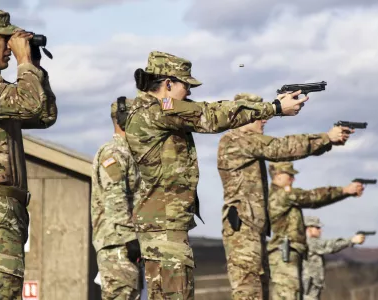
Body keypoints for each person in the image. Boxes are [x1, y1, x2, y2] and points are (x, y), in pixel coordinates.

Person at [125, 50, 309, 299]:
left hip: (161, 225)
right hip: (164, 229)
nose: (188, 93)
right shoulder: (159, 109)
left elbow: (210, 111)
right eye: (185, 85)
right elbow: (209, 115)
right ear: (168, 84)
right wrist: (273, 108)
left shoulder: (151, 110)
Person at [218, 99, 353, 300]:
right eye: (257, 116)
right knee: (248, 290)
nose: (263, 120)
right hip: (244, 226)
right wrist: (326, 137)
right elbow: (281, 147)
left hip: (251, 226)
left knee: (257, 289)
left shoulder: (244, 142)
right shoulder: (238, 139)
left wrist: (326, 142)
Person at [0, 7, 57, 299]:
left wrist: (36, 67)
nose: (9, 47)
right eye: (3, 39)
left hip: (3, 220)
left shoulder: (2, 92)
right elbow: (30, 104)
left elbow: (43, 115)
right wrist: (24, 62)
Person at [266, 162, 364, 300]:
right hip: (284, 253)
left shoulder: (280, 196)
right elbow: (313, 197)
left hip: (288, 252)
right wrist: (345, 190)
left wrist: (345, 193)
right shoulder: (282, 195)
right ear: (278, 175)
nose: (293, 179)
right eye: (290, 175)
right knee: (287, 296)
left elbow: (314, 201)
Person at [91, 97, 142, 300]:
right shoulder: (115, 152)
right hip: (119, 245)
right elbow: (115, 199)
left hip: (126, 245)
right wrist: (130, 240)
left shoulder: (129, 153)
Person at [303, 216, 365, 300]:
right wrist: (351, 240)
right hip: (307, 291)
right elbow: (330, 245)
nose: (320, 230)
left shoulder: (307, 242)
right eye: (317, 228)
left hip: (310, 289)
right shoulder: (309, 242)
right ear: (308, 228)